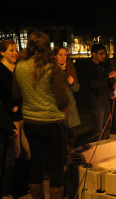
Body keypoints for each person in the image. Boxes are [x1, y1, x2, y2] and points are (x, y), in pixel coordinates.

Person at [14, 31, 70, 199]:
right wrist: (62, 110)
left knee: (36, 164)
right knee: (56, 167)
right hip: (52, 123)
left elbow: (16, 94)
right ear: (47, 47)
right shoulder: (51, 67)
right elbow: (62, 99)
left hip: (30, 123)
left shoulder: (20, 66)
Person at [0, 39, 30, 198]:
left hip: (23, 115)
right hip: (10, 118)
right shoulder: (1, 70)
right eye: (10, 50)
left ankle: (22, 185)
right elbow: (4, 95)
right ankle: (11, 189)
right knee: (15, 153)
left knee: (27, 153)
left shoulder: (18, 68)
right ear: (2, 52)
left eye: (15, 50)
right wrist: (10, 105)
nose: (14, 53)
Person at [53, 45, 81, 147]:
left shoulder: (70, 69)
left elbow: (77, 88)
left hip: (70, 108)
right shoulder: (52, 70)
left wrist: (72, 83)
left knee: (71, 135)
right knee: (60, 137)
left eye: (65, 55)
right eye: (60, 55)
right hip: (58, 109)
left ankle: (70, 155)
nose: (63, 57)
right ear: (55, 56)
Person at [84, 43, 110, 140]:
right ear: (94, 54)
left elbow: (103, 84)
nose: (104, 56)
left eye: (105, 53)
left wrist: (111, 89)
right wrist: (107, 76)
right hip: (96, 103)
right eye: (101, 53)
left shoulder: (100, 66)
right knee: (97, 130)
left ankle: (101, 148)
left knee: (103, 128)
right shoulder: (89, 67)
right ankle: (96, 150)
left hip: (103, 101)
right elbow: (93, 84)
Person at [0, 99, 18, 199]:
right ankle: (4, 192)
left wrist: (11, 129)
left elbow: (4, 116)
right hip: (4, 136)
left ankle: (5, 192)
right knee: (5, 166)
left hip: (6, 136)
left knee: (9, 165)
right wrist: (11, 131)